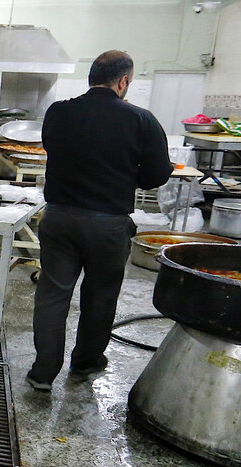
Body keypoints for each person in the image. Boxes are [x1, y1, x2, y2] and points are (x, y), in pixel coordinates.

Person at [25, 50, 172, 392]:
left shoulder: (58, 112)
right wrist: (121, 174)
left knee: (52, 294)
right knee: (100, 295)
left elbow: (53, 148)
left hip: (59, 217)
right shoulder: (141, 119)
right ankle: (85, 364)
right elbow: (155, 176)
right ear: (123, 82)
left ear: (91, 78)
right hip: (107, 224)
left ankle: (43, 372)